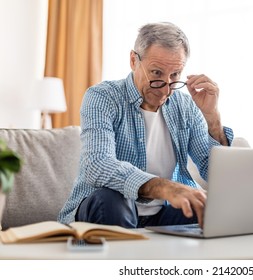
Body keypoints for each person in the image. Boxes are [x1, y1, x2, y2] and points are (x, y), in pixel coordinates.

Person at [58, 22, 234, 228]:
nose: (165, 89)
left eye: (175, 75)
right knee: (113, 201)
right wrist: (165, 187)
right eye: (157, 73)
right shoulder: (102, 97)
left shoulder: (186, 106)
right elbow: (97, 165)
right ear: (134, 60)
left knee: (211, 208)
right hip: (109, 208)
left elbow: (216, 175)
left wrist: (212, 118)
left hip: (161, 214)